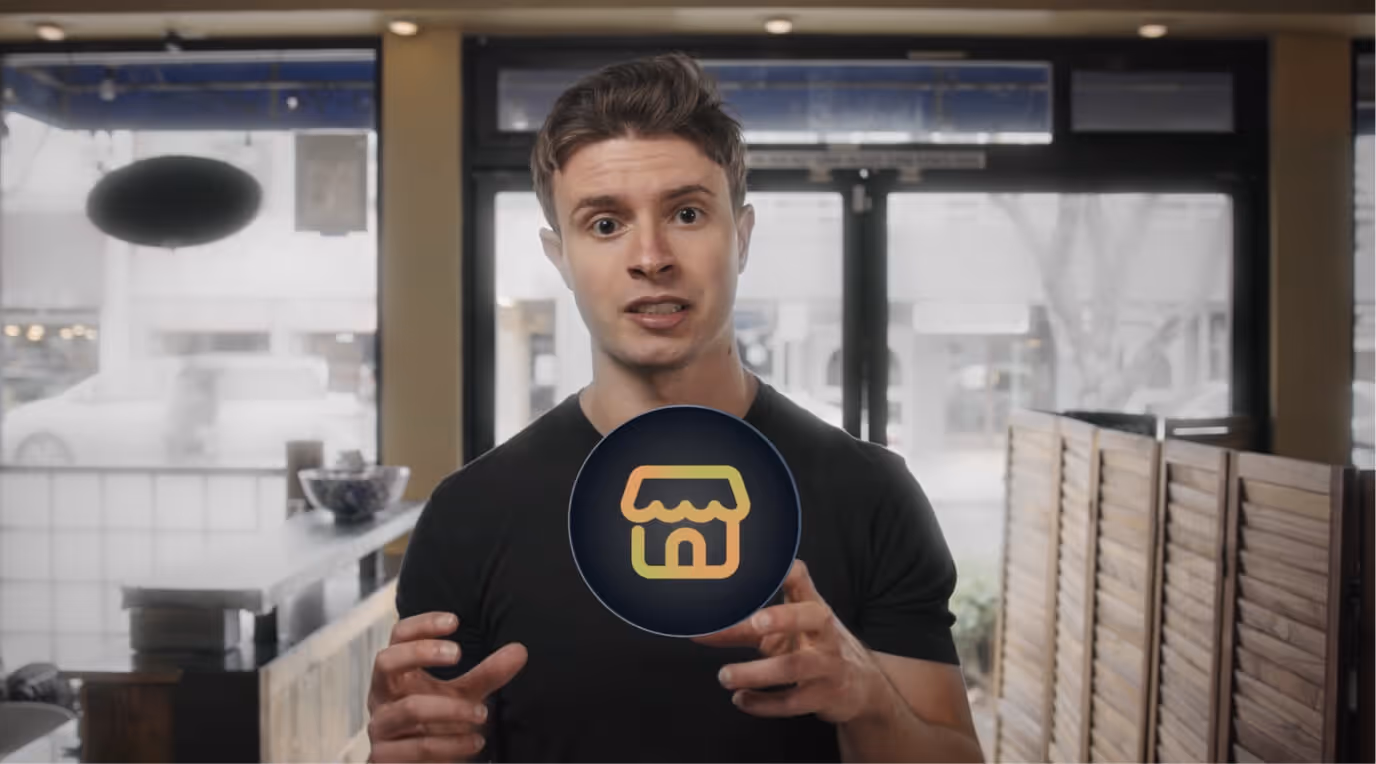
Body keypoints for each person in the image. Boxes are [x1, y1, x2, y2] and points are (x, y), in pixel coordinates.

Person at [367, 53, 983, 763]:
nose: (651, 256)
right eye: (605, 224)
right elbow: (433, 742)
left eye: (687, 214)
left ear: (740, 237)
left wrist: (867, 697)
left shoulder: (872, 493)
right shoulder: (469, 514)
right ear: (560, 257)